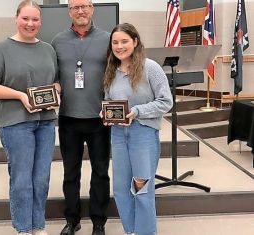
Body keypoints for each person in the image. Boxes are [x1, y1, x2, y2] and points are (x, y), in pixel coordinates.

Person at [0, 1, 59, 235]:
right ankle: (23, 229)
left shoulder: (48, 49)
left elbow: (56, 81)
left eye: (35, 19)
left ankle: (38, 226)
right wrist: (20, 96)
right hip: (15, 123)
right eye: (25, 18)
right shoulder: (1, 49)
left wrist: (55, 92)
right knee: (22, 180)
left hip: (45, 122)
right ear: (16, 18)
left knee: (41, 179)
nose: (30, 24)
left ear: (40, 21)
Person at [101, 23, 173, 235]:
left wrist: (138, 111)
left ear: (135, 42)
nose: (119, 46)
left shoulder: (150, 67)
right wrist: (105, 114)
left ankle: (145, 232)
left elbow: (166, 102)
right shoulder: (111, 71)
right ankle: (131, 231)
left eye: (124, 41)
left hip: (143, 134)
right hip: (117, 135)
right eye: (115, 42)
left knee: (142, 186)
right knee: (121, 189)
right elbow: (108, 100)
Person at [51, 1, 110, 235]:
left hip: (100, 119)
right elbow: (53, 76)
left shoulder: (108, 39)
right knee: (70, 173)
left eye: (85, 6)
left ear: (92, 9)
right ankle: (72, 219)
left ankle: (98, 221)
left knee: (100, 172)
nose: (81, 11)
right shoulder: (57, 41)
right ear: (69, 11)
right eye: (75, 7)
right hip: (68, 119)